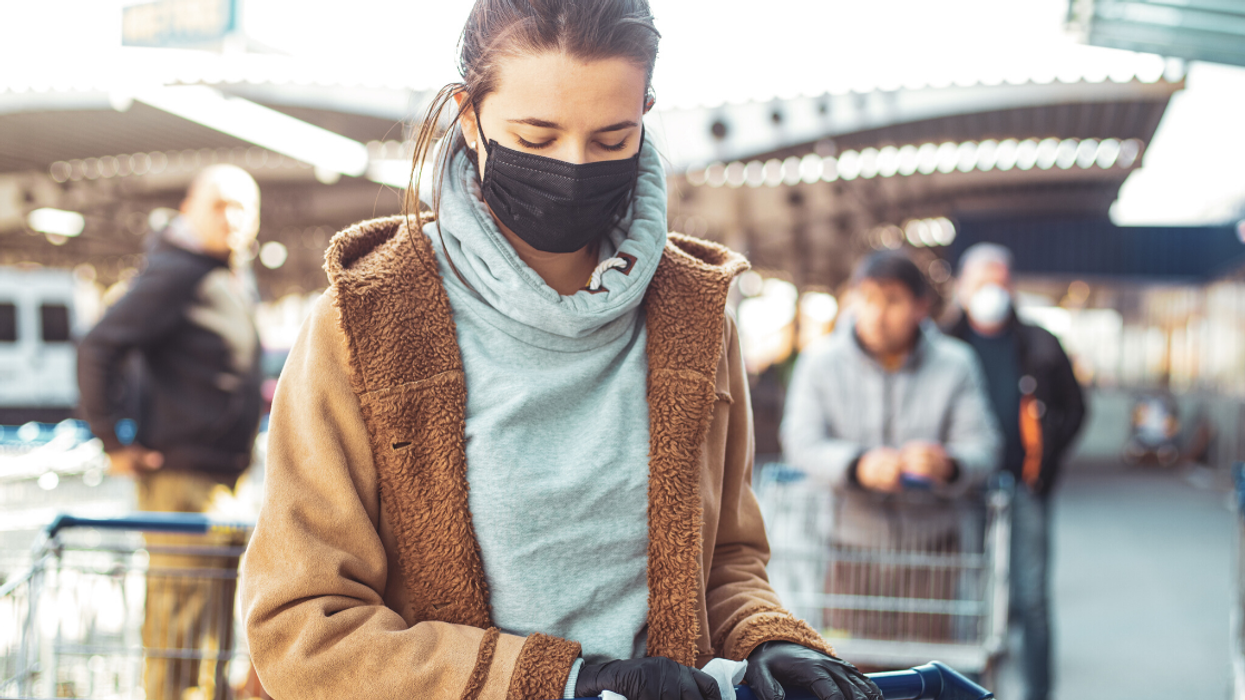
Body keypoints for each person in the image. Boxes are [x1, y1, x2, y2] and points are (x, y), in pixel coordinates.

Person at [238, 3, 881, 700]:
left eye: (611, 139)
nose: (573, 166)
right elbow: (303, 628)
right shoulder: (365, 324)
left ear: (645, 115)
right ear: (469, 117)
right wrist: (564, 683)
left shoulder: (695, 317)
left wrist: (768, 637)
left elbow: (725, 560)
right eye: (535, 136)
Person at [77, 164, 264, 700]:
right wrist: (113, 441)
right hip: (184, 483)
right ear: (187, 210)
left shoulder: (225, 274)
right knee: (182, 634)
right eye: (218, 205)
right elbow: (99, 346)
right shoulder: (178, 273)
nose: (231, 218)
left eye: (242, 207)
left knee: (210, 630)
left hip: (221, 480)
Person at [781, 251, 1001, 641]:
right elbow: (801, 441)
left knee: (924, 665)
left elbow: (984, 446)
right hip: (847, 550)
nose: (876, 314)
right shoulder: (821, 363)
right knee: (849, 666)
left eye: (892, 301)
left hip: (932, 556)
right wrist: (856, 465)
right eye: (866, 298)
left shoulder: (956, 364)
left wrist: (948, 464)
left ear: (921, 307)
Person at [946, 243, 1085, 700]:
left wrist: (1046, 457)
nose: (993, 291)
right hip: (961, 488)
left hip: (1025, 487)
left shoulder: (1041, 342)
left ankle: (1038, 691)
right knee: (966, 595)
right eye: (982, 281)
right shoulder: (943, 343)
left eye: (1001, 281)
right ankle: (969, 689)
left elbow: (1075, 408)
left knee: (1033, 597)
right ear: (962, 288)